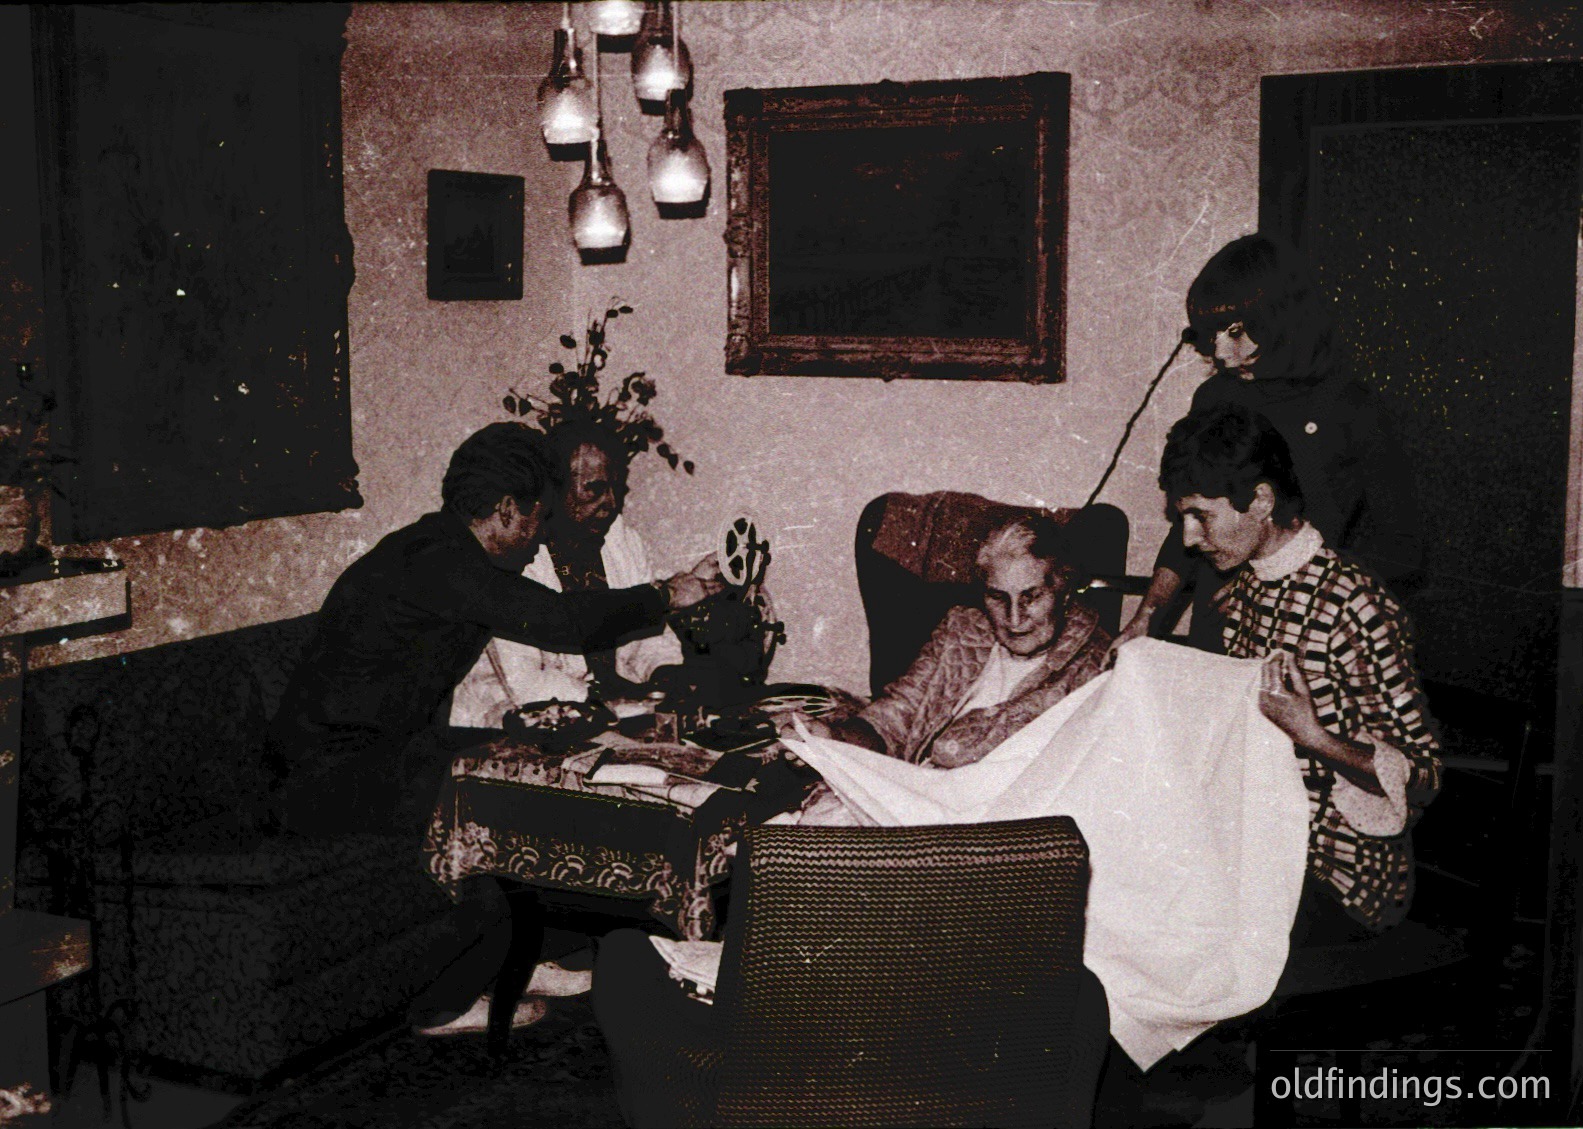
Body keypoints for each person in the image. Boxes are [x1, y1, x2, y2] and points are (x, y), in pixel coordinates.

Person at [265, 421, 721, 1034]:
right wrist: (669, 592)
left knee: (529, 762)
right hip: (326, 777)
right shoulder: (443, 562)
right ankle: (441, 1003)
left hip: (376, 754)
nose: (539, 540)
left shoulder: (444, 551)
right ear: (506, 510)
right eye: (536, 518)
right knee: (510, 796)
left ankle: (517, 954)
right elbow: (558, 620)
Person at [1158, 402, 1441, 937]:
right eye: (1182, 518)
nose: (1190, 538)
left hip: (1337, 877)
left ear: (1261, 500)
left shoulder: (1352, 604)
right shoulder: (1242, 591)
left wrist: (1313, 737)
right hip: (1257, 848)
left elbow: (1422, 775)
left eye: (1202, 516)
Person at [1111, 233, 1424, 657]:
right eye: (1212, 334)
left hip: (1310, 638)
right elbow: (1190, 522)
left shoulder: (1351, 407)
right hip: (1220, 630)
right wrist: (1148, 615)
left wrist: (1282, 585)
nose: (1221, 352)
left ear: (1280, 317)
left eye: (1235, 331)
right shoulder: (1216, 398)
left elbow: (1402, 549)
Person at [804, 514, 1111, 768]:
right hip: (913, 793)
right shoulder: (961, 630)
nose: (1014, 619)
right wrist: (834, 738)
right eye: (997, 597)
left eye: (1031, 597)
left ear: (1065, 592)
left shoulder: (1098, 665)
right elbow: (895, 718)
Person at [449, 420, 684, 726]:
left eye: (616, 488)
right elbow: (527, 683)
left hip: (615, 712)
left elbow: (649, 634)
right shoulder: (514, 555)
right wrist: (610, 704)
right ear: (554, 490)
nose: (611, 504)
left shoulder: (620, 539)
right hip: (513, 723)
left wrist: (666, 675)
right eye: (594, 490)